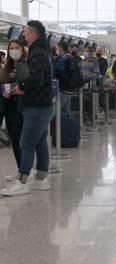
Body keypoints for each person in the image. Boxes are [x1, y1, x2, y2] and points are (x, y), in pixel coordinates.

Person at [0, 20, 55, 196]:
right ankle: (40, 178)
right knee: (39, 143)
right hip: (41, 105)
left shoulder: (37, 53)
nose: (22, 34)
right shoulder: (41, 51)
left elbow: (36, 78)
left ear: (32, 33)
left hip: (36, 106)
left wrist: (21, 88)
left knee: (26, 143)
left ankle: (22, 181)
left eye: (24, 31)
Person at [0, 40, 27, 167]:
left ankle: (25, 171)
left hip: (20, 108)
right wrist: (3, 91)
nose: (14, 50)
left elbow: (27, 86)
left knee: (19, 140)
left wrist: (17, 90)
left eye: (17, 48)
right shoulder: (7, 67)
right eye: (11, 48)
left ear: (22, 50)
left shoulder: (25, 65)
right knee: (14, 141)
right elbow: (2, 84)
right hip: (8, 107)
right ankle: (20, 170)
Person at [54, 41, 73, 117]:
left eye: (57, 48)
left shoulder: (63, 59)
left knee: (58, 110)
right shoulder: (70, 57)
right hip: (70, 87)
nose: (56, 49)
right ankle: (69, 127)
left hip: (63, 88)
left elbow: (57, 72)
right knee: (67, 110)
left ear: (61, 48)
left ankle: (62, 128)